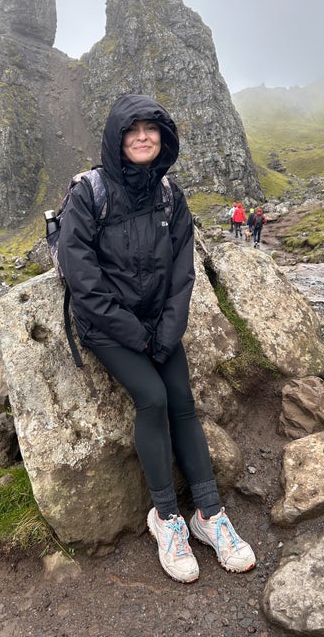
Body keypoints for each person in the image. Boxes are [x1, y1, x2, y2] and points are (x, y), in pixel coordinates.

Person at [58, 94, 256, 584]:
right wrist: (136, 335)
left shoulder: (170, 196)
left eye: (152, 129)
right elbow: (82, 279)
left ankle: (209, 514)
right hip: (107, 328)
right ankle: (166, 517)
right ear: (117, 137)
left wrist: (166, 332)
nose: (143, 137)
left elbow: (182, 273)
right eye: (133, 129)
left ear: (163, 139)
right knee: (153, 398)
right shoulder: (89, 194)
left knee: (183, 402)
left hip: (157, 326)